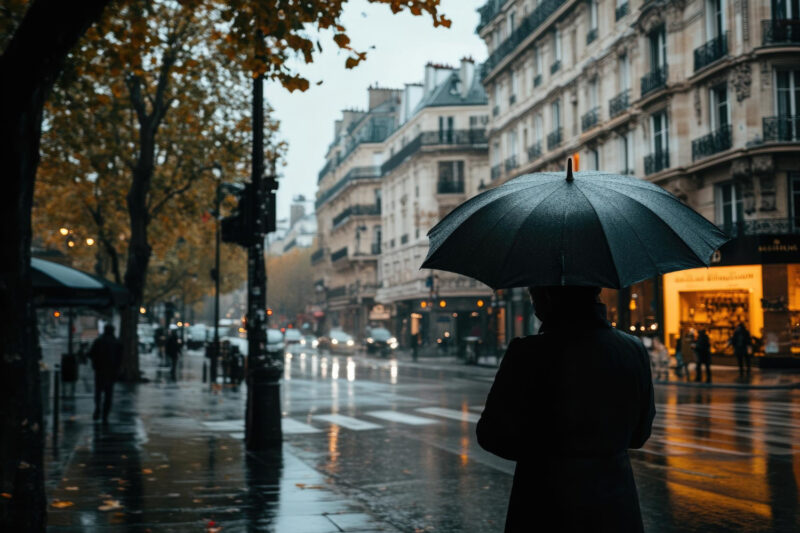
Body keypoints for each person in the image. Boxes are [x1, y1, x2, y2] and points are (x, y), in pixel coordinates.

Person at [477, 286, 655, 533]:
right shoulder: (633, 349)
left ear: (547, 297)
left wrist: (543, 453)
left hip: (545, 504)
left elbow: (491, 435)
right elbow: (639, 434)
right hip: (615, 506)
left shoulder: (528, 353)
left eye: (533, 293)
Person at [88, 324, 122, 423]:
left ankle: (98, 408)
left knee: (98, 392)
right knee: (108, 394)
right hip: (111, 372)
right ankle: (105, 415)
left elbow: (91, 354)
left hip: (99, 371)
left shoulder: (99, 341)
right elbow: (120, 358)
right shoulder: (117, 342)